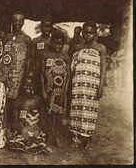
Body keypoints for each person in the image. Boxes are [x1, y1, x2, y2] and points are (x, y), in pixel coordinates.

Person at [69, 21, 106, 150]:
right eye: (85, 32)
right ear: (82, 33)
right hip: (78, 84)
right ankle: (77, 137)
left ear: (96, 34)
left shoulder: (101, 48)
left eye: (91, 33)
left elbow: (103, 68)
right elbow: (72, 66)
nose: (88, 35)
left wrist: (100, 87)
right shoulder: (78, 47)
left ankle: (86, 138)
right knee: (77, 111)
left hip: (92, 86)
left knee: (89, 112)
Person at [0, 11, 31, 134]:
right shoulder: (6, 37)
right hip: (6, 74)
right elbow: (2, 56)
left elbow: (28, 59)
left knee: (17, 102)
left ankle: (15, 127)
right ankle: (5, 128)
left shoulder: (27, 39)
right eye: (15, 20)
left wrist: (26, 75)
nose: (17, 23)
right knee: (6, 101)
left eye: (20, 21)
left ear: (23, 22)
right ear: (12, 21)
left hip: (20, 75)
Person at [6, 77, 51, 155]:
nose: (28, 86)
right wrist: (21, 130)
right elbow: (15, 119)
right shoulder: (18, 100)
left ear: (35, 85)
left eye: (31, 84)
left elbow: (43, 117)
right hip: (23, 128)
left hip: (35, 127)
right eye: (26, 84)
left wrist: (39, 128)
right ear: (22, 86)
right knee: (17, 142)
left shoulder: (39, 100)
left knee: (39, 141)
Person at [40, 31, 70, 147]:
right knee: (48, 113)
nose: (58, 46)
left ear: (63, 44)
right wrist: (42, 90)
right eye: (55, 44)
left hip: (60, 91)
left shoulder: (65, 57)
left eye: (60, 45)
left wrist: (65, 92)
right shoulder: (46, 55)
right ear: (51, 42)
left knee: (58, 114)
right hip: (48, 90)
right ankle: (48, 136)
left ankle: (56, 136)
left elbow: (68, 75)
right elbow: (42, 74)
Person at [31, 14, 54, 93]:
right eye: (45, 26)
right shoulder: (35, 41)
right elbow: (32, 57)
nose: (47, 28)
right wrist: (34, 70)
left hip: (49, 71)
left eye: (49, 26)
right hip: (38, 71)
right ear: (41, 27)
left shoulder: (53, 42)